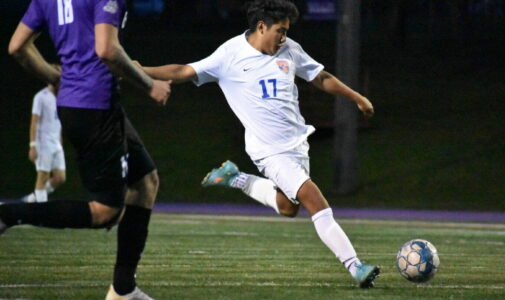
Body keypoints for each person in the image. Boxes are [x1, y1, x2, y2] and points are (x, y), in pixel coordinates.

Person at [137, 0, 379, 288]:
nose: (284, 37)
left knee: (288, 207)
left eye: (287, 31)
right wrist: (139, 68)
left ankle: (235, 178)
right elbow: (183, 72)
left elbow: (320, 77)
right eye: (280, 30)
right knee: (315, 201)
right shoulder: (230, 54)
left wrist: (357, 98)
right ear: (261, 26)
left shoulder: (290, 49)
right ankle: (355, 266)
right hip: (268, 151)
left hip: (297, 144)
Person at [2, 0, 171, 299]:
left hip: (81, 105)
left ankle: (123, 290)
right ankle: (8, 214)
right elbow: (106, 49)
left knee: (146, 181)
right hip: (96, 108)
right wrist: (149, 85)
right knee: (105, 212)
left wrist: (55, 77)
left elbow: (17, 46)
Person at [22, 83, 66, 203]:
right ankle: (41, 210)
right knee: (43, 177)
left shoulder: (61, 97)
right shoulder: (40, 96)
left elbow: (58, 122)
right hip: (44, 142)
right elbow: (34, 122)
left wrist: (60, 141)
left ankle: (35, 197)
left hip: (56, 143)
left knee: (60, 177)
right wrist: (32, 145)